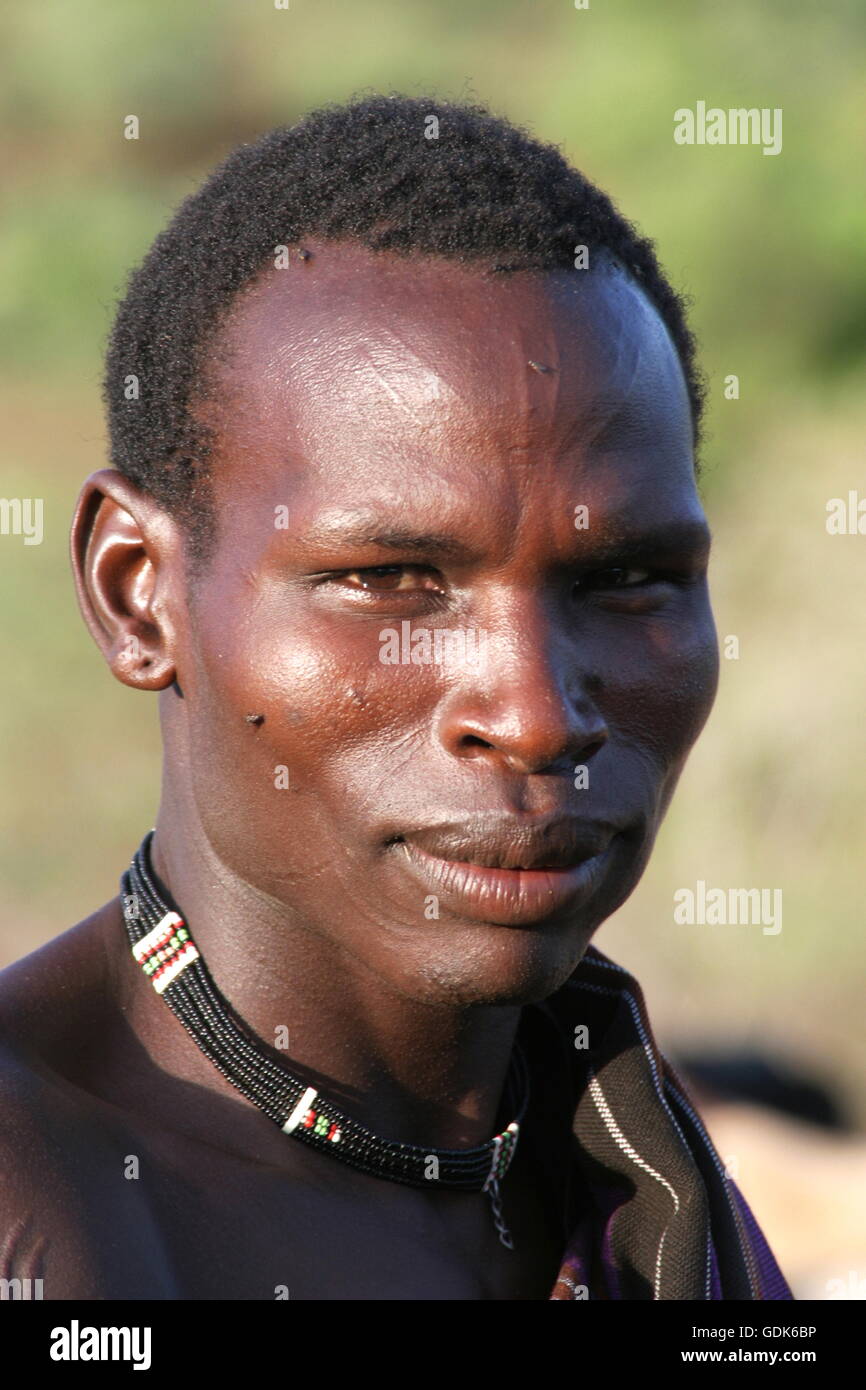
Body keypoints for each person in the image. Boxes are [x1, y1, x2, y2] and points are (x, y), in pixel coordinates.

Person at [0, 95, 791, 1300]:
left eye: (624, 580)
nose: (534, 716)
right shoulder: (40, 1214)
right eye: (387, 580)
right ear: (137, 594)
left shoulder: (642, 1185)